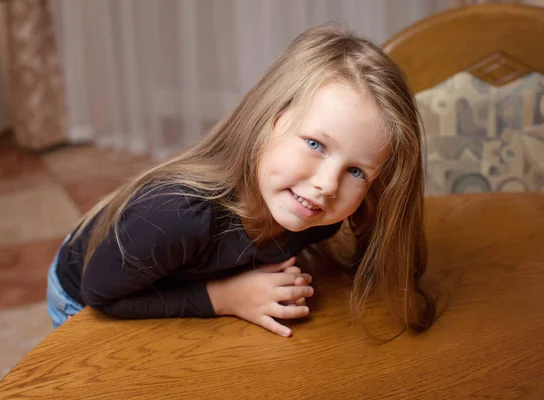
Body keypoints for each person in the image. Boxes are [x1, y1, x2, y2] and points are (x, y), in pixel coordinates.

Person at [46, 24, 435, 338]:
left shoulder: (316, 207)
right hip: (90, 295)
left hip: (167, 266)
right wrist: (225, 297)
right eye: (315, 144)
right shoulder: (177, 214)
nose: (328, 185)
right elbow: (102, 296)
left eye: (356, 171)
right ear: (267, 120)